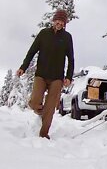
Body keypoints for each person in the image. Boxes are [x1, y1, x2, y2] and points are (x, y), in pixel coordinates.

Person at [16, 9, 74, 139]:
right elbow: (31, 52)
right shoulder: (44, 34)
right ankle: (40, 111)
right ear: (53, 20)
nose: (59, 23)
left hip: (57, 78)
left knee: (50, 107)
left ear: (64, 23)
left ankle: (44, 134)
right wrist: (23, 67)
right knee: (34, 101)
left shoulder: (67, 37)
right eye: (57, 20)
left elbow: (71, 59)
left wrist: (69, 77)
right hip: (41, 74)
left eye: (62, 21)